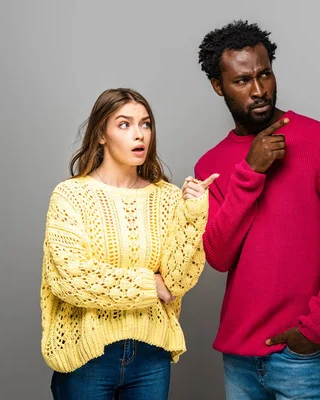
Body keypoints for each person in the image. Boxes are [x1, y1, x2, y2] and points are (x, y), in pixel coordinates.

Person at [195, 21, 320, 399]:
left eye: (265, 74)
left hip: (298, 357)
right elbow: (219, 256)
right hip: (238, 357)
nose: (258, 90)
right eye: (242, 81)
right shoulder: (210, 165)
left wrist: (315, 331)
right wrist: (250, 172)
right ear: (218, 86)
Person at [40, 88, 217, 399]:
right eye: (124, 124)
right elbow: (70, 279)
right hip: (88, 353)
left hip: (152, 355)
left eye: (145, 124)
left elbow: (177, 282)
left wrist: (192, 215)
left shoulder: (167, 197)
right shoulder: (71, 195)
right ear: (101, 135)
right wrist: (149, 284)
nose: (139, 135)